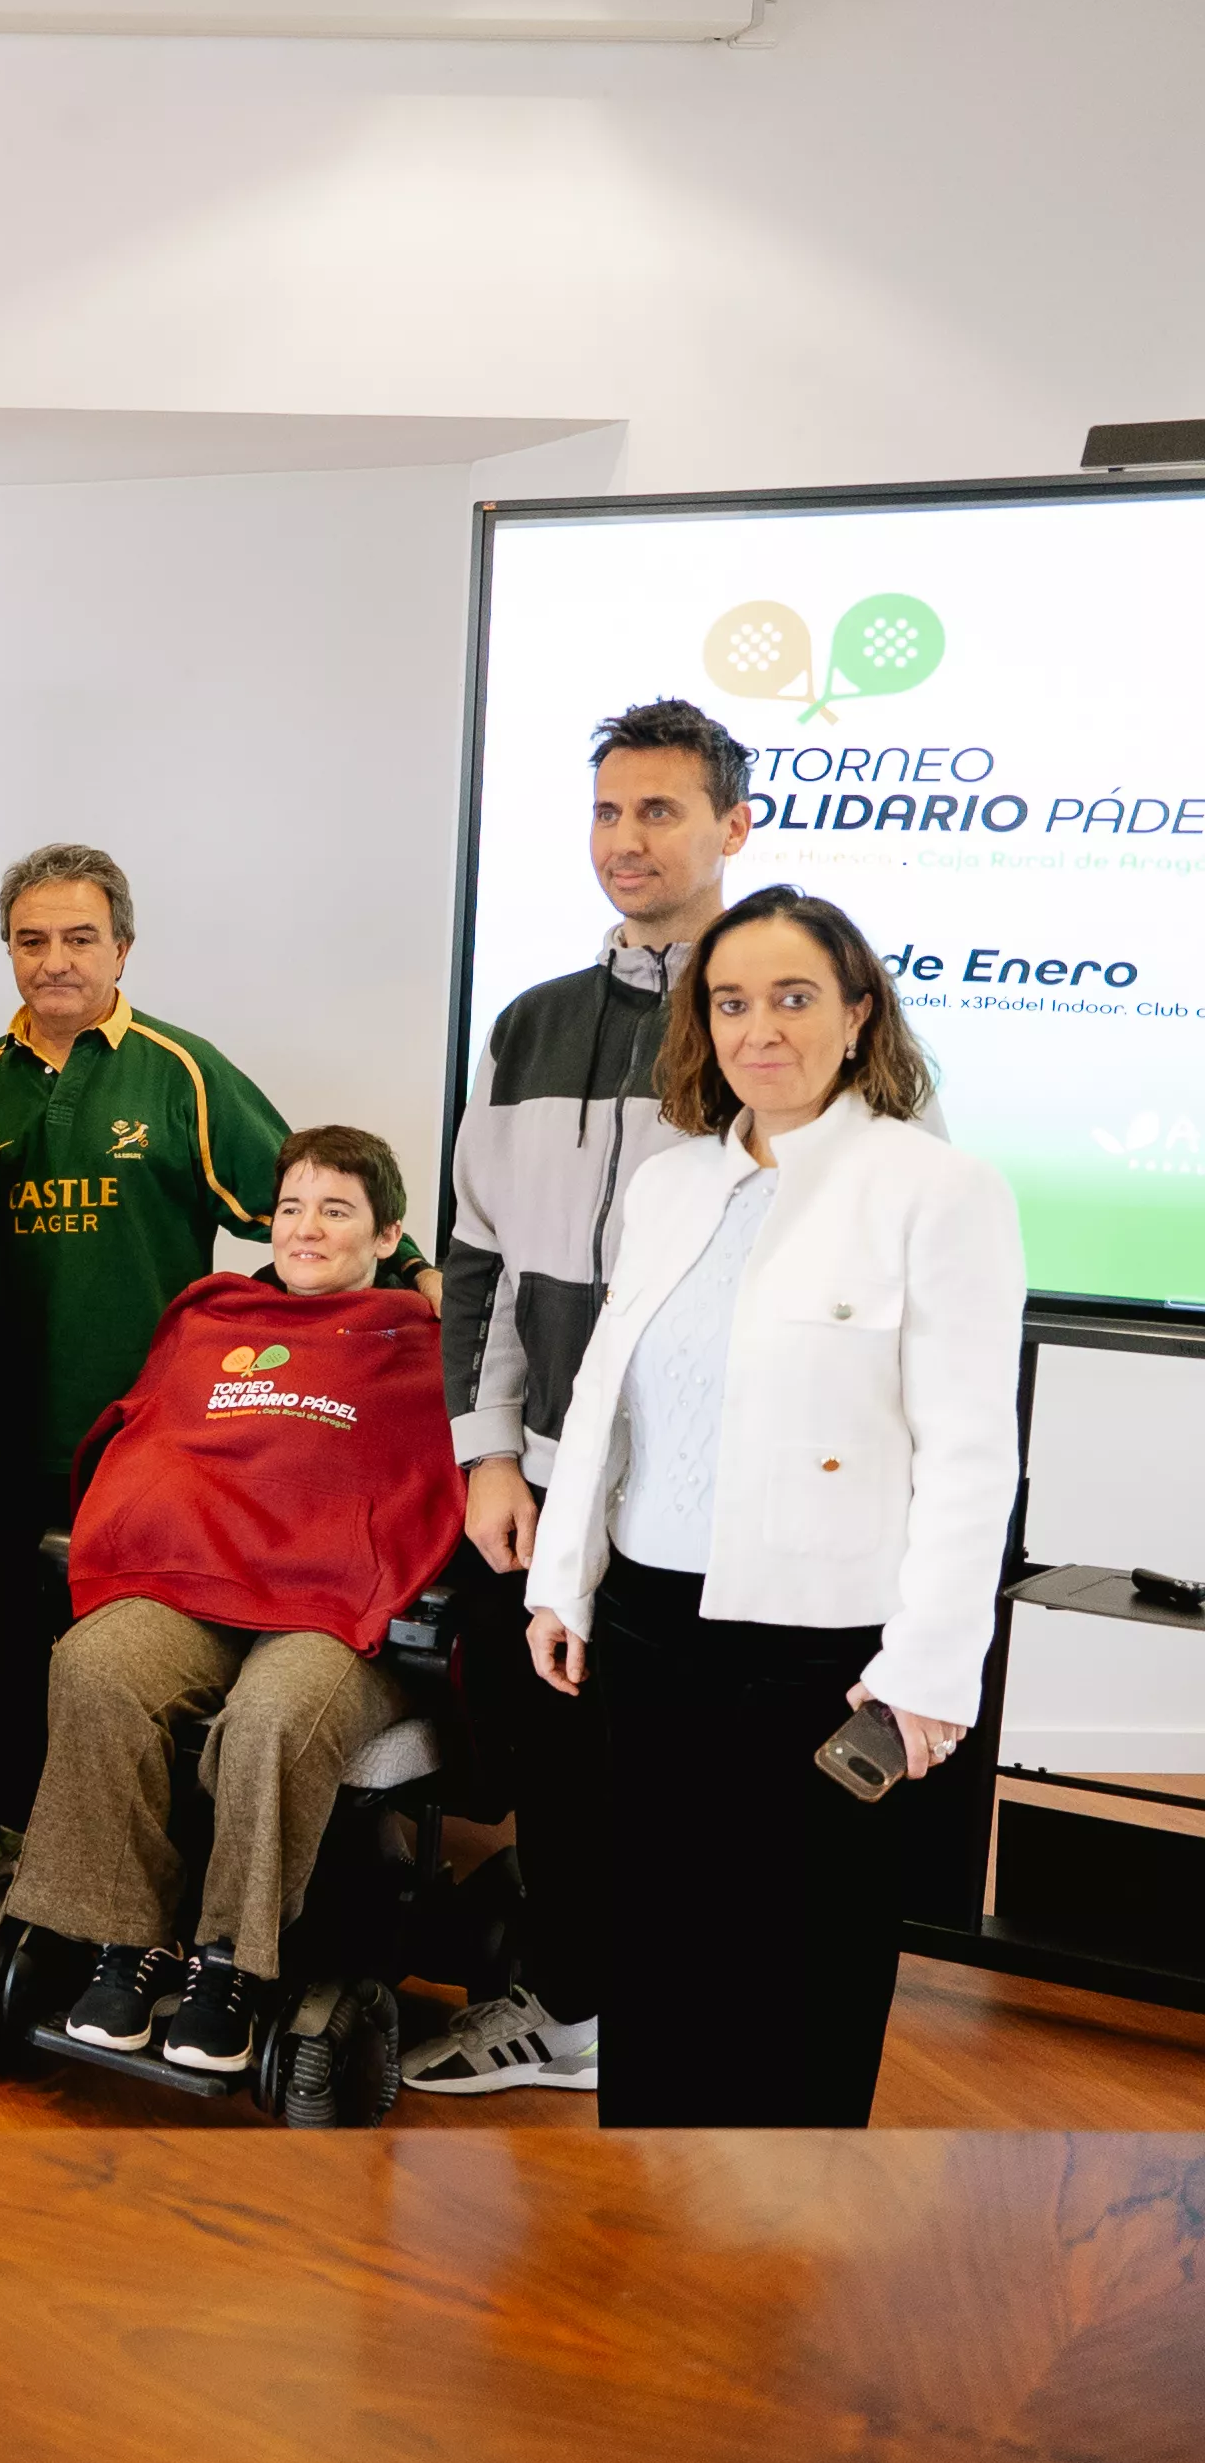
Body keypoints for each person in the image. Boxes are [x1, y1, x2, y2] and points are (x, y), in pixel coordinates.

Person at [522, 888, 1021, 2129]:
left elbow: (970, 1455)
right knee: (660, 1959)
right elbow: (604, 1398)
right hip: (646, 1628)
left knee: (799, 1980)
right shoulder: (672, 1184)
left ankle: (782, 2284)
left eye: (793, 998)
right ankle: (657, 2250)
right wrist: (562, 1581)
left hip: (822, 1655)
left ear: (857, 1016)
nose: (760, 1029)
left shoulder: (936, 1189)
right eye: (730, 1003)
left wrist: (928, 1672)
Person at [0, 843, 437, 1907]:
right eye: (32, 940)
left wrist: (418, 1275)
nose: (55, 960)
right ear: (7, 952)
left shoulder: (182, 1072)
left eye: (79, 938)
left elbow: (309, 1203)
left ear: (121, 945)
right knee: (11, 1635)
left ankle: (152, 1853)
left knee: (117, 1652)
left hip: (146, 1448)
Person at [414, 697, 759, 2099]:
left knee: (686, 1761)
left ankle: (685, 2015)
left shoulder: (774, 1016)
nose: (629, 839)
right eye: (611, 810)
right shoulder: (535, 1022)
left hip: (698, 1488)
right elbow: (482, 1256)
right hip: (542, 1478)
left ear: (733, 827)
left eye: (662, 810)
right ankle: (563, 2010)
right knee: (553, 1749)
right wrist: (488, 1455)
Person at [2, 1129, 449, 2075]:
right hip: (196, 1587)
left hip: (329, 1617)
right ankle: (128, 1939)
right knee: (96, 1667)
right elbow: (147, 1442)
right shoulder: (215, 1322)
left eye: (337, 1210)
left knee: (271, 1717)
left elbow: (440, 1491)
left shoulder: (426, 1345)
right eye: (291, 1208)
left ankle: (229, 1965)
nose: (306, 1228)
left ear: (387, 1236)